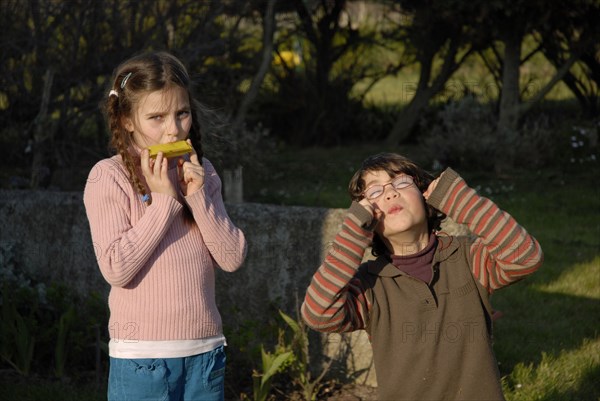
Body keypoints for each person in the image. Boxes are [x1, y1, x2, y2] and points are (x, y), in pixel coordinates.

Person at [301, 153, 543, 401]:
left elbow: (525, 257)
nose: (390, 193)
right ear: (367, 218)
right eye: (374, 193)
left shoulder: (470, 260)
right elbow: (319, 314)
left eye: (402, 182)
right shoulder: (369, 286)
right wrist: (352, 233)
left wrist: (461, 200)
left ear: (426, 196)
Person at [83, 51, 247, 401]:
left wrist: (198, 196)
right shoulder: (109, 176)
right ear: (127, 120)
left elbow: (232, 258)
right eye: (156, 117)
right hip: (143, 360)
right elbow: (115, 268)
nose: (173, 128)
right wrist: (165, 202)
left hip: (206, 354)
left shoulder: (203, 173)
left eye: (182, 113)